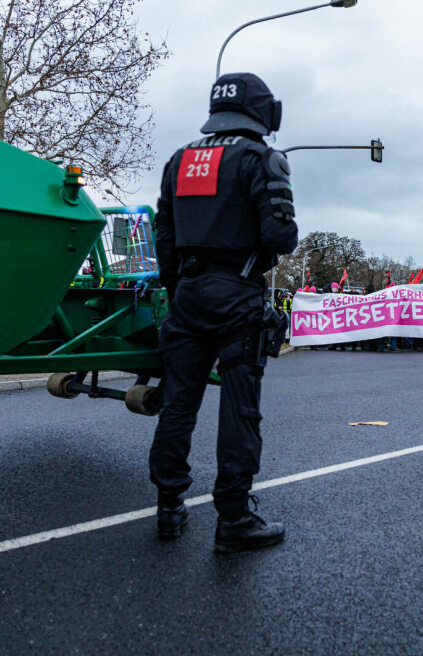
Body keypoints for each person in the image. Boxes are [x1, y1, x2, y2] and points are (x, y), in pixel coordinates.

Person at [150, 72, 298, 551]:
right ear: (262, 112)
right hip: (237, 294)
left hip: (188, 295)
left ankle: (169, 505)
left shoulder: (180, 159)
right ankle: (233, 518)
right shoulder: (261, 158)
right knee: (239, 409)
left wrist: (180, 287)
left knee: (178, 404)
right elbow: (280, 236)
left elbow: (164, 237)